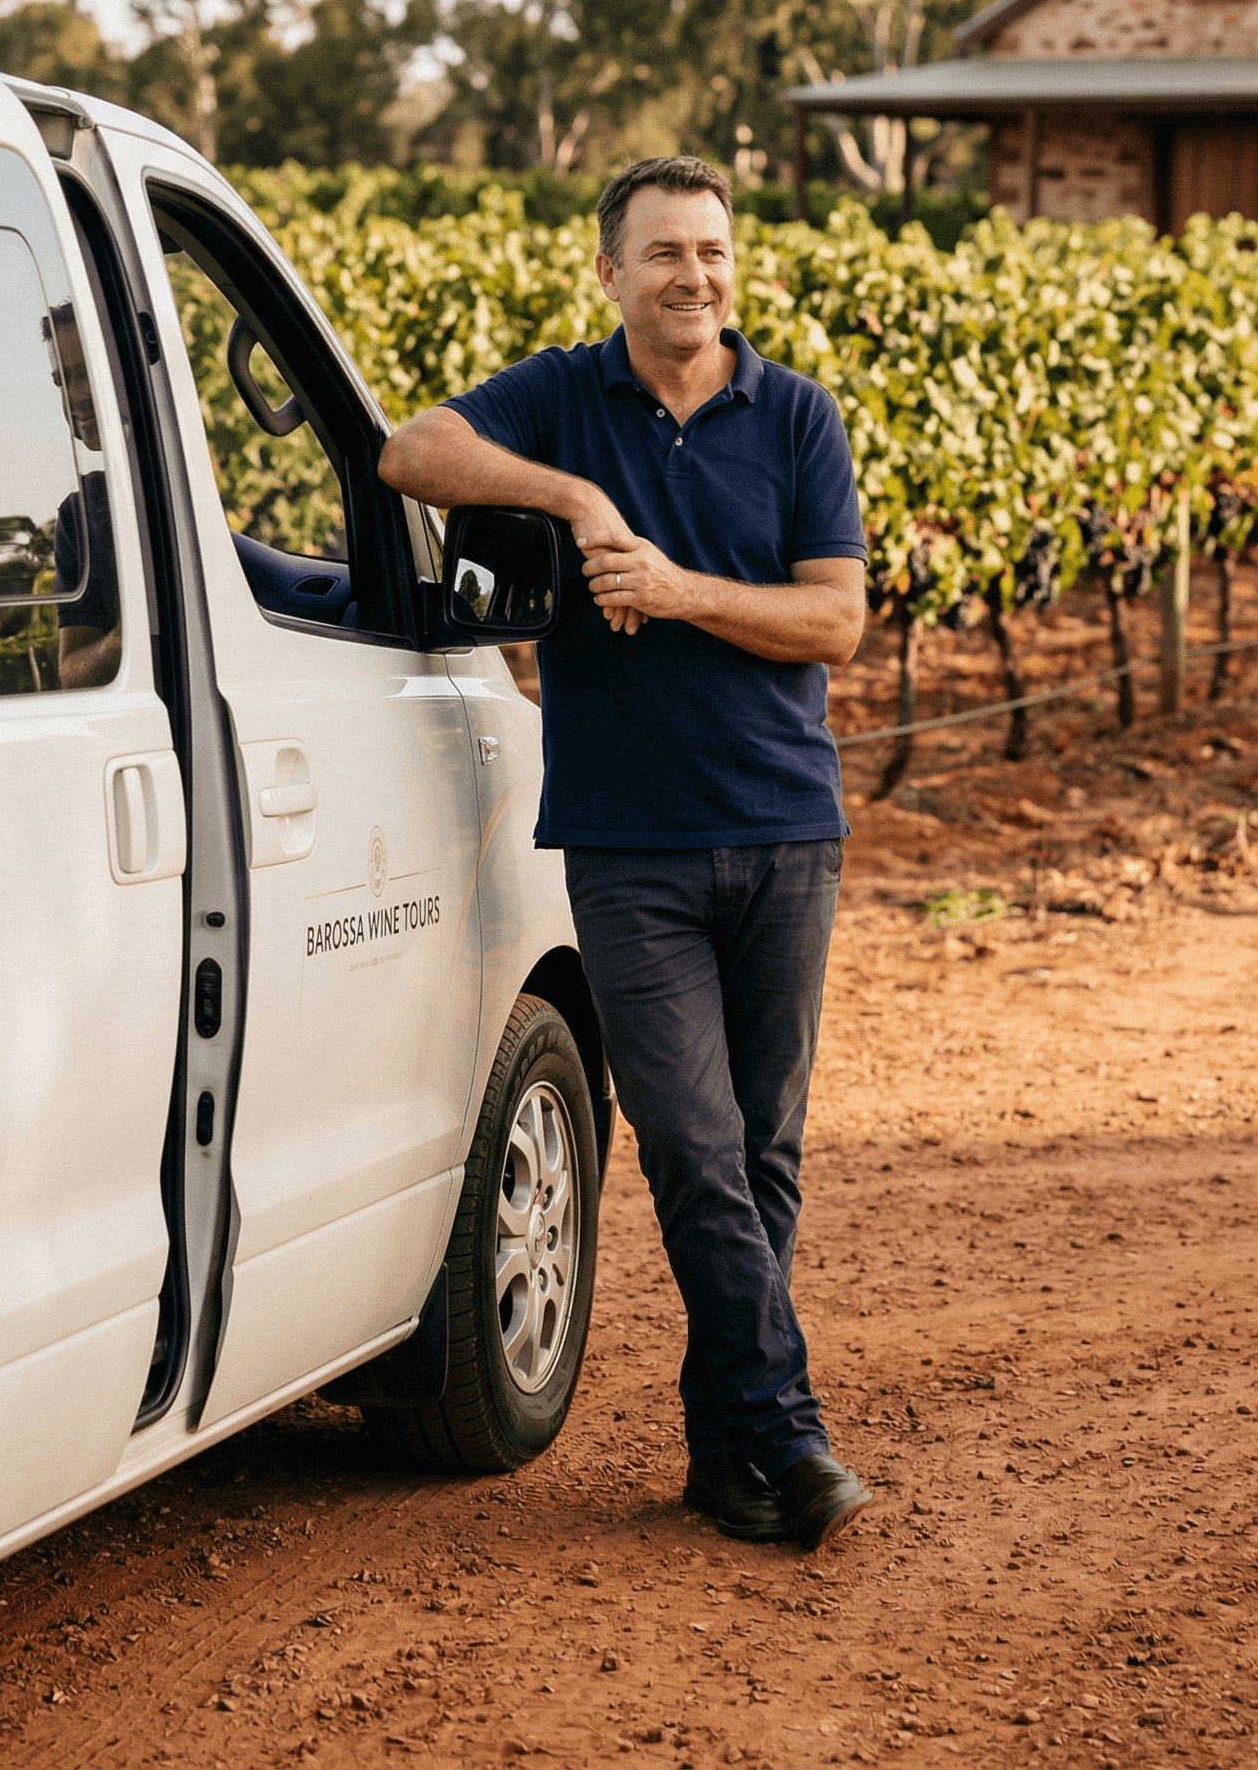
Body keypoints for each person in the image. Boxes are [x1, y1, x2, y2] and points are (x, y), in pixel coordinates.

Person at [378, 155, 872, 1551]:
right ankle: (790, 1433)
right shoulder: (559, 395)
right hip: (628, 849)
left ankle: (728, 1460)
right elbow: (410, 453)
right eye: (664, 254)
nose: (694, 277)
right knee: (693, 1152)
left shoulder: (797, 419)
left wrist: (676, 589)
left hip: (786, 835)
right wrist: (582, 506)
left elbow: (833, 623)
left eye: (711, 252)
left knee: (762, 1159)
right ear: (611, 273)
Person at [44, 303, 121, 690]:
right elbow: (70, 672)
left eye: (87, 372)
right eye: (63, 380)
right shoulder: (80, 515)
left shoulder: (181, 485)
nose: (77, 395)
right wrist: (120, 642)